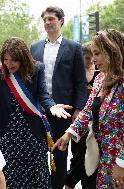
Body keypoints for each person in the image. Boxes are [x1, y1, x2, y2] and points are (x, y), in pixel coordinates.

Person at [0, 37, 72, 188]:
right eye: (6, 60)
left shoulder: (37, 69)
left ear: (23, 58)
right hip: (7, 135)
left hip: (32, 133)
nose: (9, 64)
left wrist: (52, 107)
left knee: (36, 174)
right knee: (10, 175)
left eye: (13, 60)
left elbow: (43, 95)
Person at [52, 29, 124, 189]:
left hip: (119, 162)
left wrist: (121, 163)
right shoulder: (100, 78)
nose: (94, 60)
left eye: (97, 54)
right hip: (101, 158)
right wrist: (68, 134)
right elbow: (87, 111)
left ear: (112, 51)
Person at [31, 6, 87, 188]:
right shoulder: (35, 47)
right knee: (38, 154)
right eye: (45, 19)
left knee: (60, 156)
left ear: (61, 20)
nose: (47, 22)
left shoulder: (74, 47)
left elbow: (80, 82)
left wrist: (78, 109)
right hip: (39, 110)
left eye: (51, 19)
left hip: (64, 111)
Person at [65, 42, 99, 189]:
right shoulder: (75, 74)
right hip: (80, 121)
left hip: (96, 122)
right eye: (87, 57)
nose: (91, 61)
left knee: (93, 158)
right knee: (78, 156)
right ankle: (69, 183)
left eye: (94, 56)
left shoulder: (100, 74)